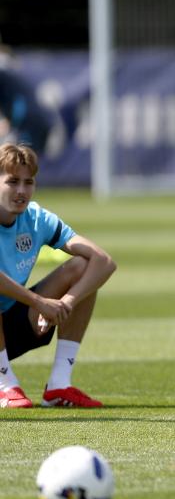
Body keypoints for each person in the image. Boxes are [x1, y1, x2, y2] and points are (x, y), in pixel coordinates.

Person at [0, 143, 116, 408]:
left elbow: (104, 261)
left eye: (28, 182)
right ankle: (5, 384)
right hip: (23, 310)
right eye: (12, 181)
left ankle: (59, 385)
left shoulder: (37, 218)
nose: (21, 191)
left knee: (83, 267)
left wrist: (66, 304)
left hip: (15, 325)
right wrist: (39, 303)